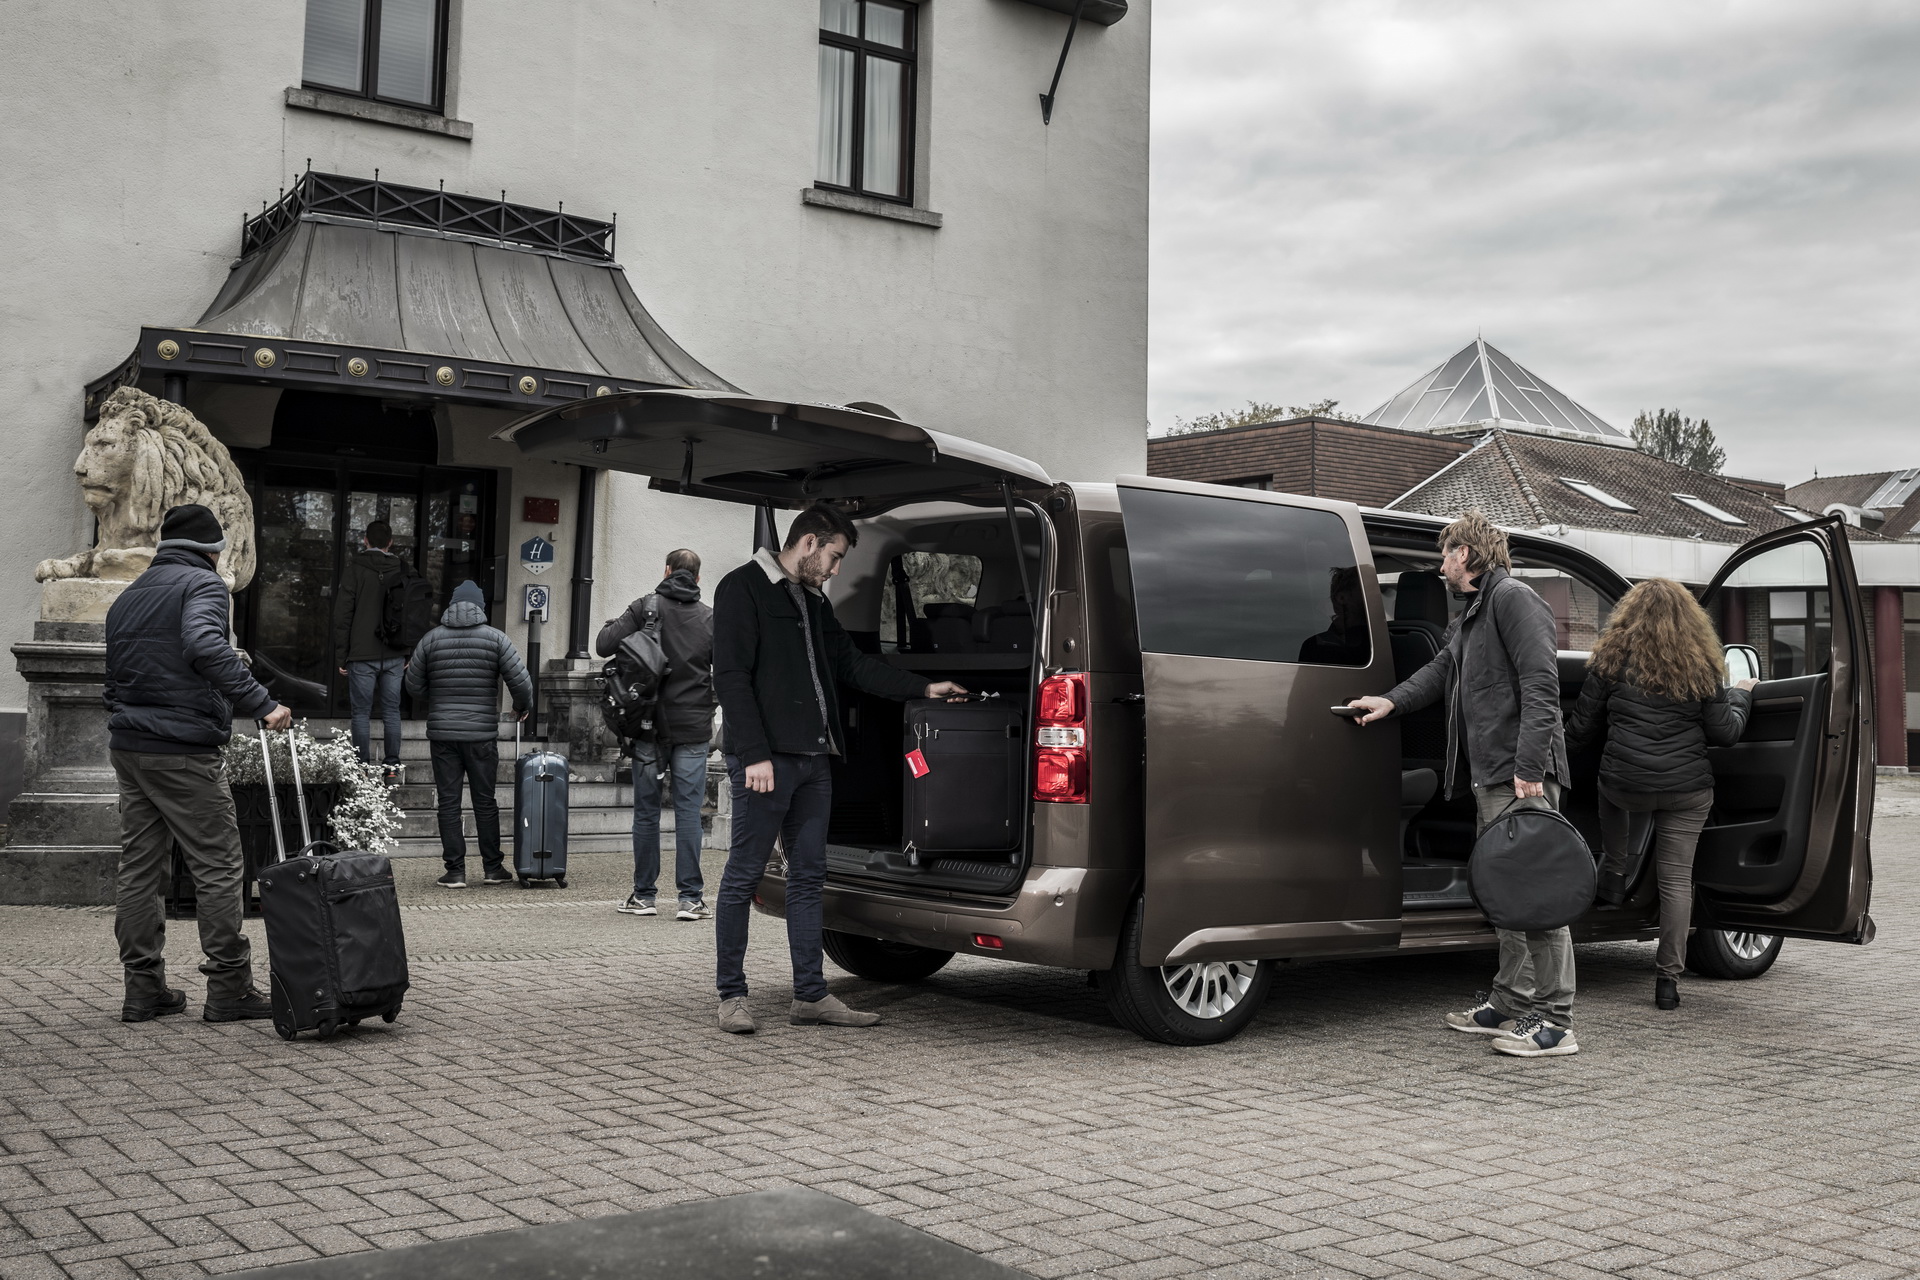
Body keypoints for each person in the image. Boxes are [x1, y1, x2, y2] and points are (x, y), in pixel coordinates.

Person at [711, 504, 967, 1034]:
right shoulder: (742, 587)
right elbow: (731, 676)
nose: (835, 568)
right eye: (834, 556)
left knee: (809, 878)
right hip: (766, 760)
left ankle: (810, 996)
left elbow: (852, 665)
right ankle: (731, 996)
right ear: (808, 542)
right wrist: (754, 754)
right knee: (743, 875)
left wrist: (923, 688)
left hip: (815, 760)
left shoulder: (814, 602)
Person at [1347, 511, 1578, 1058]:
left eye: (1445, 554)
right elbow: (1437, 674)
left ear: (1466, 555)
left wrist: (1529, 768)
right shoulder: (1473, 615)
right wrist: (1389, 702)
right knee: (1506, 896)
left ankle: (1556, 1022)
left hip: (1521, 777)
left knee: (1536, 897)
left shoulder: (1514, 599)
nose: (1441, 566)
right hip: (1492, 776)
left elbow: (1541, 686)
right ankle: (1510, 1002)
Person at [103, 503, 294, 1024]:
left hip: (130, 746)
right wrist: (262, 703)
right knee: (219, 864)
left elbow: (113, 678)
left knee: (140, 869)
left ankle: (143, 990)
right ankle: (229, 988)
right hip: (182, 749)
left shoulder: (129, 595)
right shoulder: (203, 584)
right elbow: (205, 644)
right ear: (213, 550)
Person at [1566, 578, 1755, 1010]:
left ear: (1627, 617)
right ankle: (1668, 981)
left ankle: (1614, 874)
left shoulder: (1610, 661)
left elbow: (1579, 732)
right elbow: (1725, 733)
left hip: (1625, 787)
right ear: (1690, 621)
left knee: (1606, 785)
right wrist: (1742, 697)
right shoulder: (1701, 666)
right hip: (1686, 792)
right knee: (1675, 882)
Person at [599, 548, 715, 922]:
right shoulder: (710, 618)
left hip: (648, 726)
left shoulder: (645, 607)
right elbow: (732, 670)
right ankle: (690, 900)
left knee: (647, 813)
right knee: (689, 813)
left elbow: (603, 644)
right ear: (697, 578)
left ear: (666, 571)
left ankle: (644, 896)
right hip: (693, 729)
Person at [404, 580, 534, 888]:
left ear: (451, 606)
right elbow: (521, 683)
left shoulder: (430, 639)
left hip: (443, 736)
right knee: (485, 801)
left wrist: (437, 697)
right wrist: (521, 707)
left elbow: (412, 685)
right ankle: (493, 869)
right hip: (481, 736)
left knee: (448, 802)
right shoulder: (496, 639)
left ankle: (455, 871)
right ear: (480, 607)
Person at [332, 519, 409, 781]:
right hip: (394, 653)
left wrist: (342, 655)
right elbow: (413, 613)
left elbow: (343, 615)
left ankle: (362, 768)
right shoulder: (403, 570)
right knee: (392, 712)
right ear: (391, 543)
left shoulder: (354, 569)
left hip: (361, 653)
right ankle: (392, 767)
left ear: (365, 541)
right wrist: (407, 650)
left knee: (361, 713)